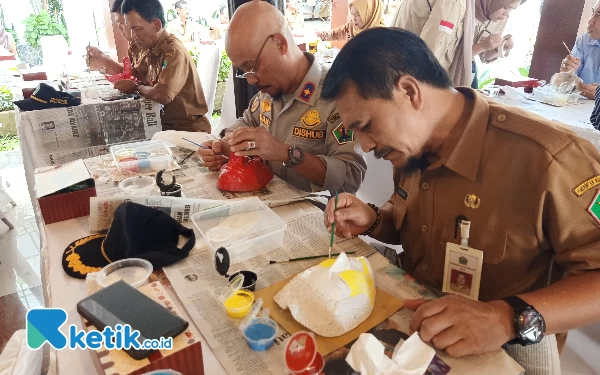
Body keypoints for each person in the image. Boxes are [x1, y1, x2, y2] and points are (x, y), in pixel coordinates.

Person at [322, 28, 600, 357]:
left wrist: (506, 319)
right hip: (416, 324)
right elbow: (405, 220)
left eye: (365, 126)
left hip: (506, 344)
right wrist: (372, 219)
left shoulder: (550, 158)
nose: (365, 146)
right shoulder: (413, 146)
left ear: (410, 93)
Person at [197, 0, 366, 194]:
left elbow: (351, 178)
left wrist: (286, 153)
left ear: (280, 43)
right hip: (267, 207)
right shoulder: (268, 90)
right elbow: (247, 121)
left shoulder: (339, 95)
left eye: (252, 66)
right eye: (243, 71)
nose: (251, 80)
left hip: (317, 216)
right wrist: (223, 146)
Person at [115, 0, 211, 132]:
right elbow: (140, 74)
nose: (133, 36)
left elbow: (163, 95)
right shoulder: (150, 47)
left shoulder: (173, 51)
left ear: (156, 24)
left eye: (137, 29)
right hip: (163, 124)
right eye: (130, 28)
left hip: (187, 129)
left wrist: (136, 87)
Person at [85, 0, 147, 80]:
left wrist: (107, 62)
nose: (119, 28)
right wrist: (102, 57)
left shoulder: (152, 44)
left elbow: (142, 79)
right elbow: (133, 70)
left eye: (121, 22)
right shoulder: (134, 44)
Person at [471, 1, 521, 88]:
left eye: (511, 9)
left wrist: (499, 47)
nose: (507, 14)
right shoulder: (462, 9)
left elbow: (486, 57)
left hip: (468, 64)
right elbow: (452, 54)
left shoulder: (500, 20)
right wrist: (482, 46)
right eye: (505, 7)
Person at [562, 1, 600, 99]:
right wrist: (566, 73)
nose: (590, 21)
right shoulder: (584, 41)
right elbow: (567, 87)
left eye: (599, 14)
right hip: (577, 110)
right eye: (593, 12)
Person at [316, 0, 384, 42]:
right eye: (352, 14)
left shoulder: (381, 36)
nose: (354, 19)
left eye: (358, 15)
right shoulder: (353, 26)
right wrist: (326, 35)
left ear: (371, 14)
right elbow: (338, 32)